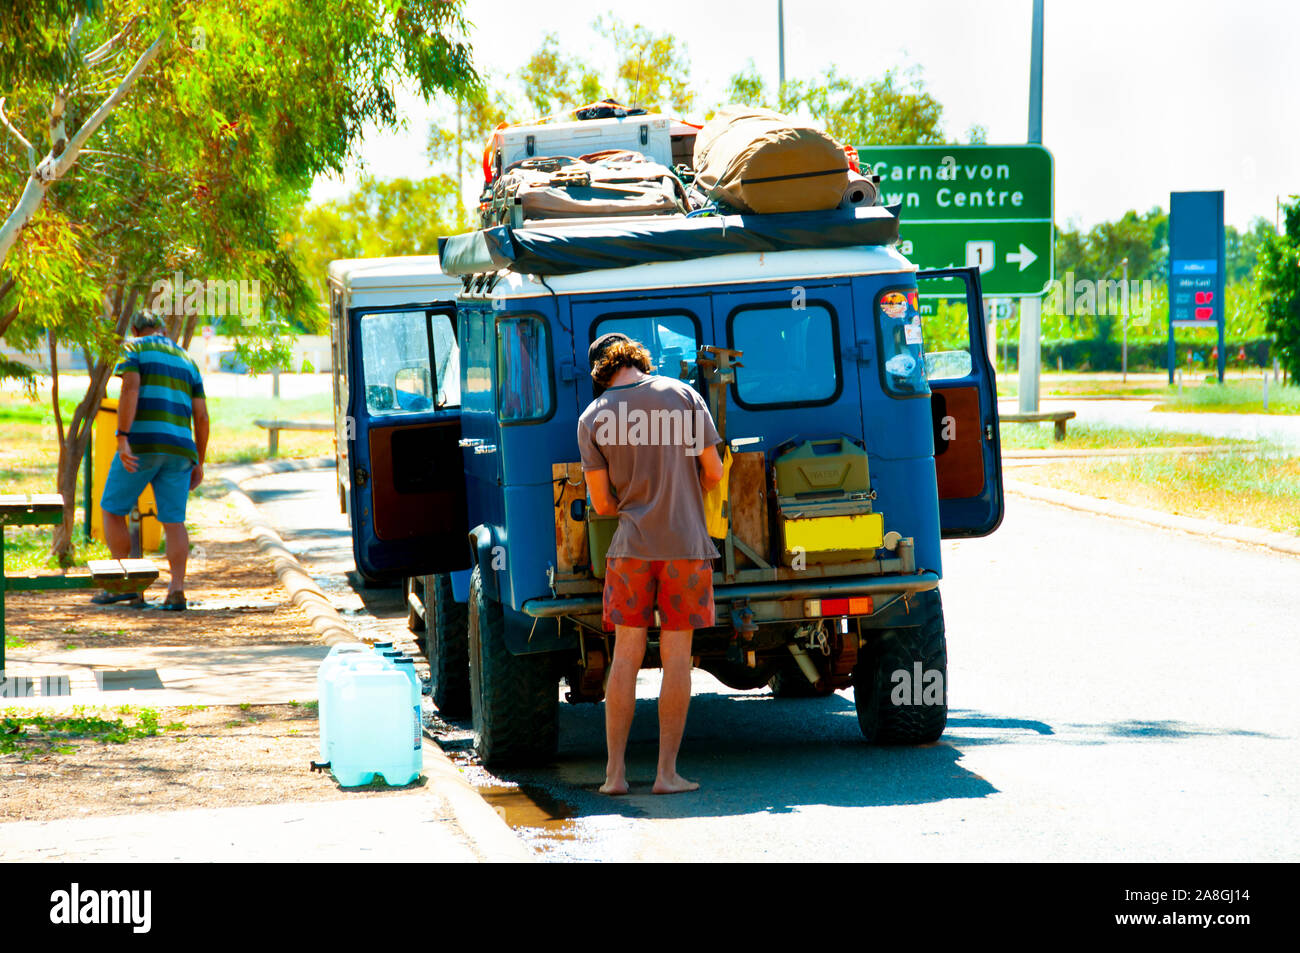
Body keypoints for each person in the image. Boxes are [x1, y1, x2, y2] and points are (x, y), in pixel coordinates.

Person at [576, 333, 725, 795]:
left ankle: (614, 775)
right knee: (677, 660)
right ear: (640, 359)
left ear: (601, 372)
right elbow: (715, 472)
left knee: (625, 657)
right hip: (685, 548)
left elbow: (601, 505)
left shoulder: (592, 417)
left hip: (630, 552)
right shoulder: (683, 396)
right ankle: (666, 775)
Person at [95, 311, 209, 610]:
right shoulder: (187, 360)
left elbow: (130, 388)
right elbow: (201, 415)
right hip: (180, 449)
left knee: (111, 509)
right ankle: (176, 591)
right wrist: (199, 460)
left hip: (142, 444)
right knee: (174, 521)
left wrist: (122, 438)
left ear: (135, 329)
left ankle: (124, 585)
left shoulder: (134, 348)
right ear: (163, 329)